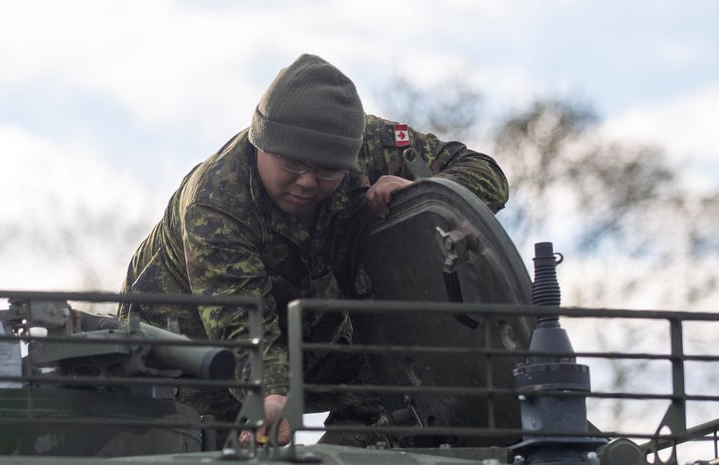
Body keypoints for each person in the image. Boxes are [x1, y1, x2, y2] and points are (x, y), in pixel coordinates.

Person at [118, 53, 508, 444]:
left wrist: (420, 194)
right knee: (218, 463)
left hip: (310, 327)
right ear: (262, 143)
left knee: (395, 350)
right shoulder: (216, 199)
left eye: (326, 170)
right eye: (292, 164)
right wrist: (270, 393)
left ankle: (350, 455)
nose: (306, 182)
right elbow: (238, 319)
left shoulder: (373, 146)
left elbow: (485, 173)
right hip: (191, 353)